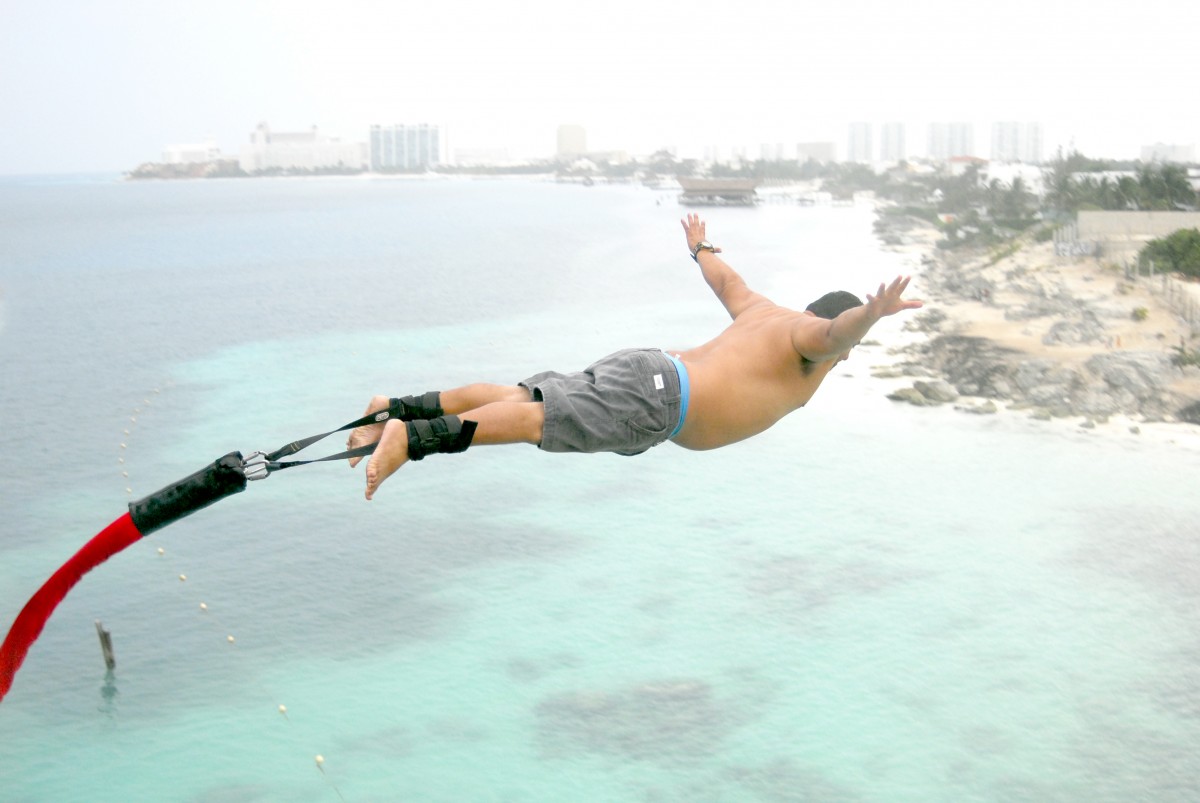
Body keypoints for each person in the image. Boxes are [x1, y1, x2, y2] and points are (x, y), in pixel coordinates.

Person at [348, 213, 922, 500]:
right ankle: (409, 440)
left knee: (520, 398)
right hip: (661, 399)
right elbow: (834, 336)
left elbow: (727, 281)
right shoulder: (809, 344)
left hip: (648, 374)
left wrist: (699, 248)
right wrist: (869, 317)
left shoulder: (766, 313)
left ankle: (392, 408)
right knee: (533, 420)